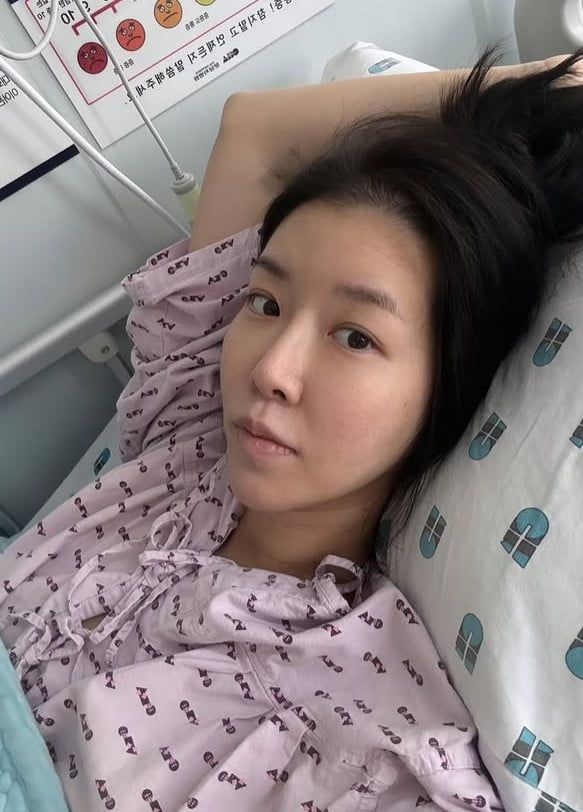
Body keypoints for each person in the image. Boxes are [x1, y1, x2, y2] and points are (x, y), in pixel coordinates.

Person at [1, 43, 582, 812]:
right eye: (265, 303)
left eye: (354, 336)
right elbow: (255, 130)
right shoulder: (183, 436)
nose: (269, 367)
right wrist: (536, 99)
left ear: (447, 387)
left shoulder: (359, 746)